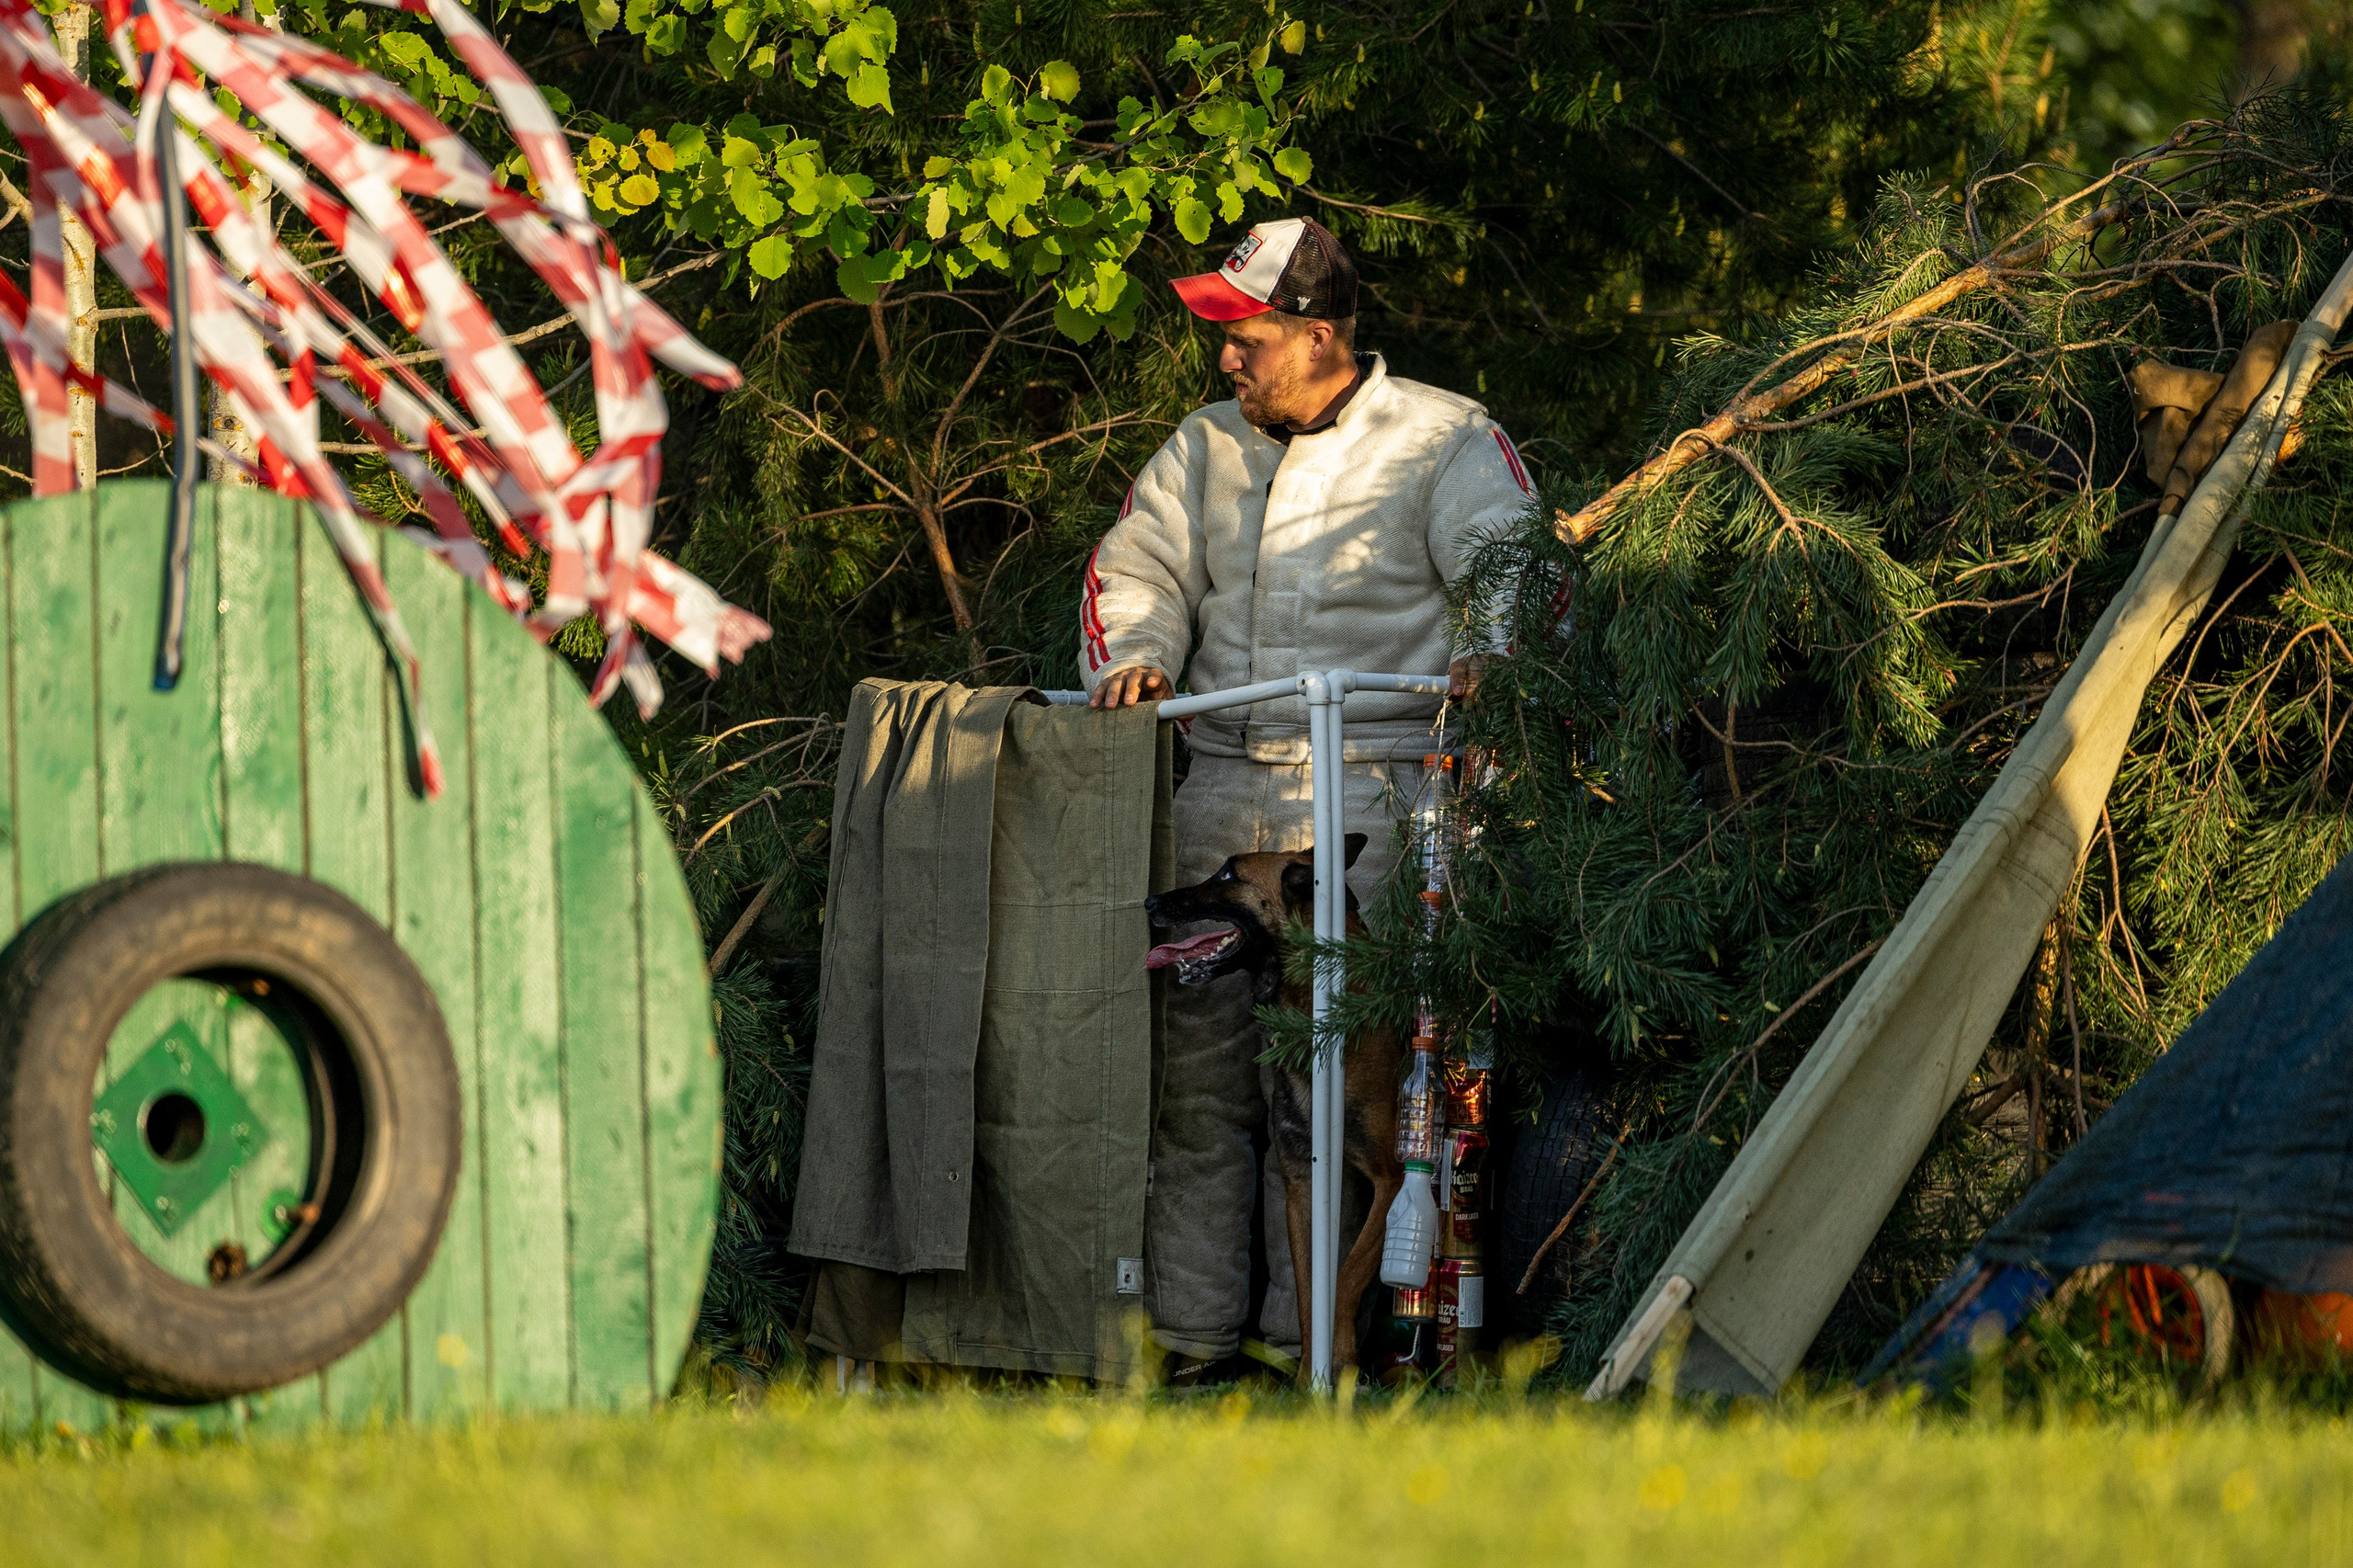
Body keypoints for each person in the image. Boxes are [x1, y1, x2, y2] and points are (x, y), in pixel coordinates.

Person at [1080, 215, 1535, 1371]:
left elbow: (1514, 559)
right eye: (1222, 339)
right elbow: (1132, 565)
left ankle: (1308, 1348)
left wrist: (1496, 652)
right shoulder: (1200, 447)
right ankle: (1185, 1341)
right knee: (1195, 1084)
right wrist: (1134, 651)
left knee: (1342, 1102)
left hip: (1377, 800)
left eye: (1247, 338)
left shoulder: (1444, 437)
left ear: (1320, 334)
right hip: (1218, 790)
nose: (1225, 360)